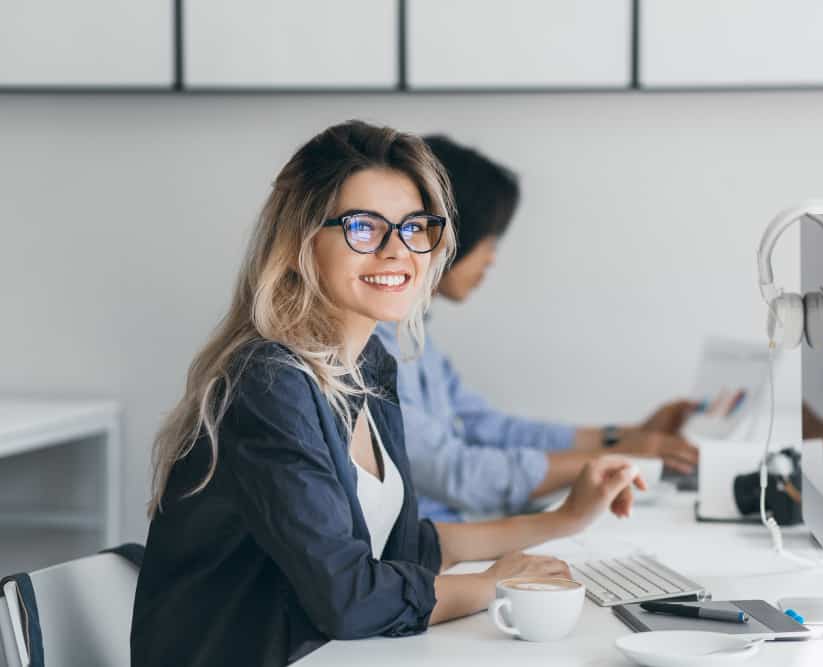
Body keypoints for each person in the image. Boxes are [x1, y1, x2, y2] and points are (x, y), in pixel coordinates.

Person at [131, 121, 645, 667]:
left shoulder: (367, 365)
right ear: (301, 240)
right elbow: (348, 599)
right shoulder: (271, 382)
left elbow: (401, 549)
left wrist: (563, 520)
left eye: (414, 227)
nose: (397, 250)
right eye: (362, 227)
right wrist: (494, 584)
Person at [375, 136, 699, 522]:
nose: (492, 258)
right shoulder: (370, 347)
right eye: (488, 238)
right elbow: (456, 472)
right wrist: (615, 457)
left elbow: (488, 427)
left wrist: (621, 439)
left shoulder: (415, 338)